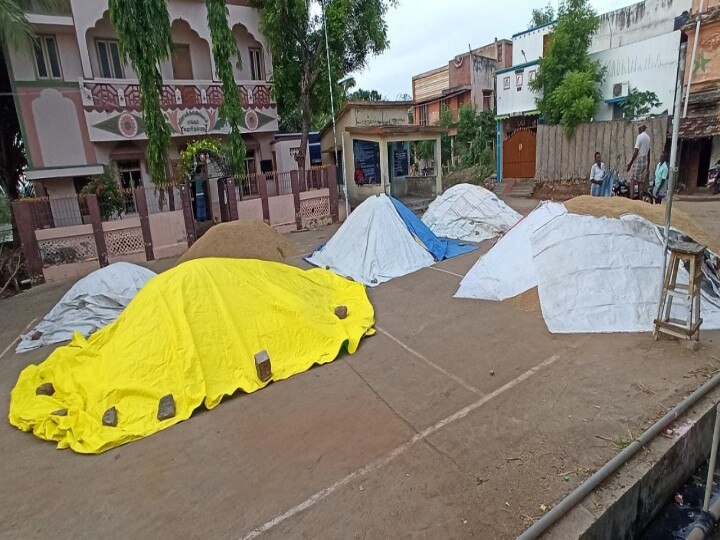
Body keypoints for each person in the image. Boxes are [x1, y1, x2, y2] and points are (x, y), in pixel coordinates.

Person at [626, 123, 651, 199]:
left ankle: (631, 199)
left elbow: (636, 151)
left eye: (638, 128)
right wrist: (647, 167)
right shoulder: (648, 137)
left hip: (639, 159)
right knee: (641, 183)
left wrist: (630, 164)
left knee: (632, 181)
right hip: (645, 161)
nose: (638, 130)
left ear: (641, 128)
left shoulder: (639, 137)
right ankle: (640, 201)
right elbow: (649, 153)